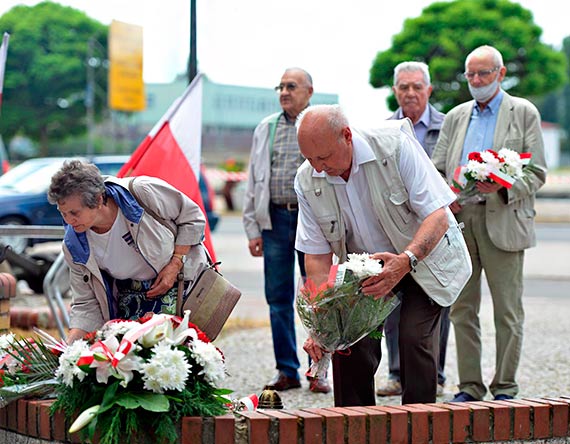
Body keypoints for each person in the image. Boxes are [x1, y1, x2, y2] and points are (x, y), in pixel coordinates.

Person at [295, 104, 472, 406]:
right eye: (309, 159)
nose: (318, 168)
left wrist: (405, 261)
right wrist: (321, 322)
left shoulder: (395, 146)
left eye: (323, 157)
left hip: (420, 258)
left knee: (414, 338)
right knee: (346, 342)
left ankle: (421, 427)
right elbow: (316, 257)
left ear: (346, 136)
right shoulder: (307, 179)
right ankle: (355, 425)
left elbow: (438, 216)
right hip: (363, 268)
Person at [432, 45, 547, 402]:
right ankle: (469, 386)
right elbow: (436, 169)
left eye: (483, 74)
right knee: (462, 309)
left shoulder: (523, 111)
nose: (476, 81)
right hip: (462, 221)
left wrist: (504, 185)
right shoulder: (455, 116)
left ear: (499, 73)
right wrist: (445, 194)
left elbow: (538, 171)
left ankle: (506, 387)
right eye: (471, 75)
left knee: (507, 312)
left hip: (504, 217)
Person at [47, 160, 209, 343]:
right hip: (132, 306)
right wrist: (69, 350)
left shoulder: (142, 192)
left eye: (74, 213)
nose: (69, 221)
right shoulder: (74, 245)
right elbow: (86, 304)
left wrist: (176, 262)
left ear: (99, 200)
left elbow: (193, 218)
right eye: (63, 213)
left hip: (183, 290)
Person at [242, 68, 330, 394]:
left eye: (291, 86)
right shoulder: (266, 128)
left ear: (309, 90)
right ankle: (287, 370)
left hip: (313, 221)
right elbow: (254, 180)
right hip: (277, 222)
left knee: (317, 296)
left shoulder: (320, 124)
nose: (284, 91)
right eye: (280, 86)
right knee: (278, 298)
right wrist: (253, 227)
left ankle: (318, 370)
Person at [377, 61, 449, 398]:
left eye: (416, 87)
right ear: (395, 91)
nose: (409, 93)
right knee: (394, 303)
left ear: (428, 90)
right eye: (403, 87)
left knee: (437, 301)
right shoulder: (383, 130)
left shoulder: (446, 126)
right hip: (397, 230)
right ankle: (396, 372)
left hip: (437, 228)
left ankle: (434, 371)